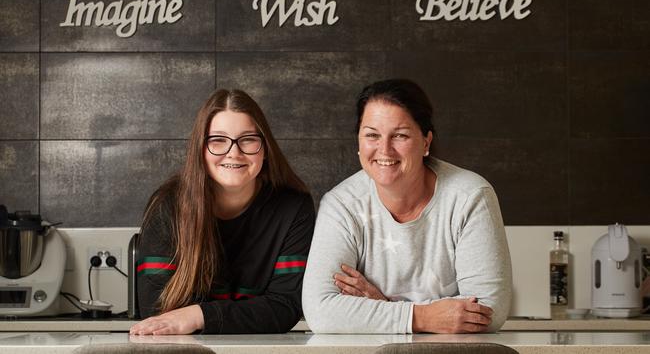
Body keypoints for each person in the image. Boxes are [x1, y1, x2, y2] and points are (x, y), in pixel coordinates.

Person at [302, 79, 512, 334]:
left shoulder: (470, 196)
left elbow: (489, 311)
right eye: (372, 135)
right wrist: (422, 317)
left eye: (400, 135)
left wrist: (383, 307)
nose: (384, 149)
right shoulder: (341, 205)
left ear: (426, 142)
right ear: (359, 142)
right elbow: (320, 312)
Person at [130, 89, 315, 335]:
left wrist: (199, 314)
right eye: (218, 140)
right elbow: (158, 313)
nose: (234, 152)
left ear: (265, 147)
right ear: (200, 149)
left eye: (248, 139)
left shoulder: (293, 208)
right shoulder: (168, 206)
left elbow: (285, 306)